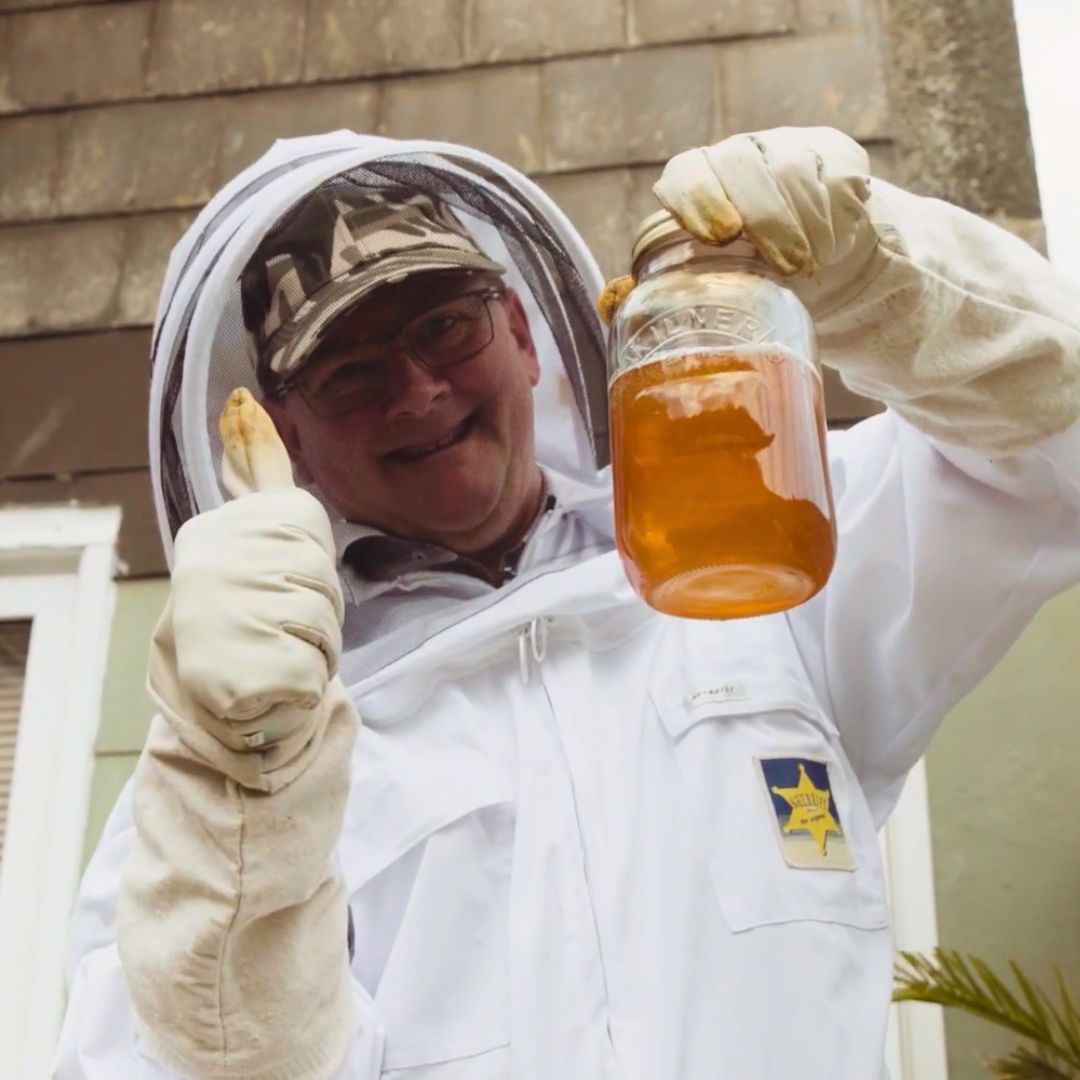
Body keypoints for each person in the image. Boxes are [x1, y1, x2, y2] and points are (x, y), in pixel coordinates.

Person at [54, 126, 1080, 1079]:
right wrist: (236, 785)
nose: (416, 391)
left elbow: (1053, 463)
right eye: (350, 373)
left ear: (521, 331)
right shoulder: (249, 725)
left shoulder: (762, 553)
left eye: (445, 327)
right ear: (286, 429)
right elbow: (147, 1063)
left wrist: (887, 280)